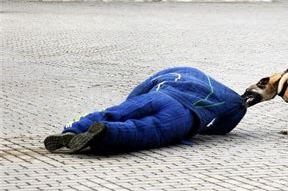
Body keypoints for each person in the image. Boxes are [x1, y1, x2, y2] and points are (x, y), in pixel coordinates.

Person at [44, 67, 247, 154]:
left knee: (115, 111)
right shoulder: (224, 93)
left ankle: (74, 129)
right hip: (183, 116)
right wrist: (209, 130)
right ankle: (105, 133)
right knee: (145, 130)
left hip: (158, 96)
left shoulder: (174, 71)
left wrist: (132, 104)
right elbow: (238, 107)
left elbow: (140, 89)